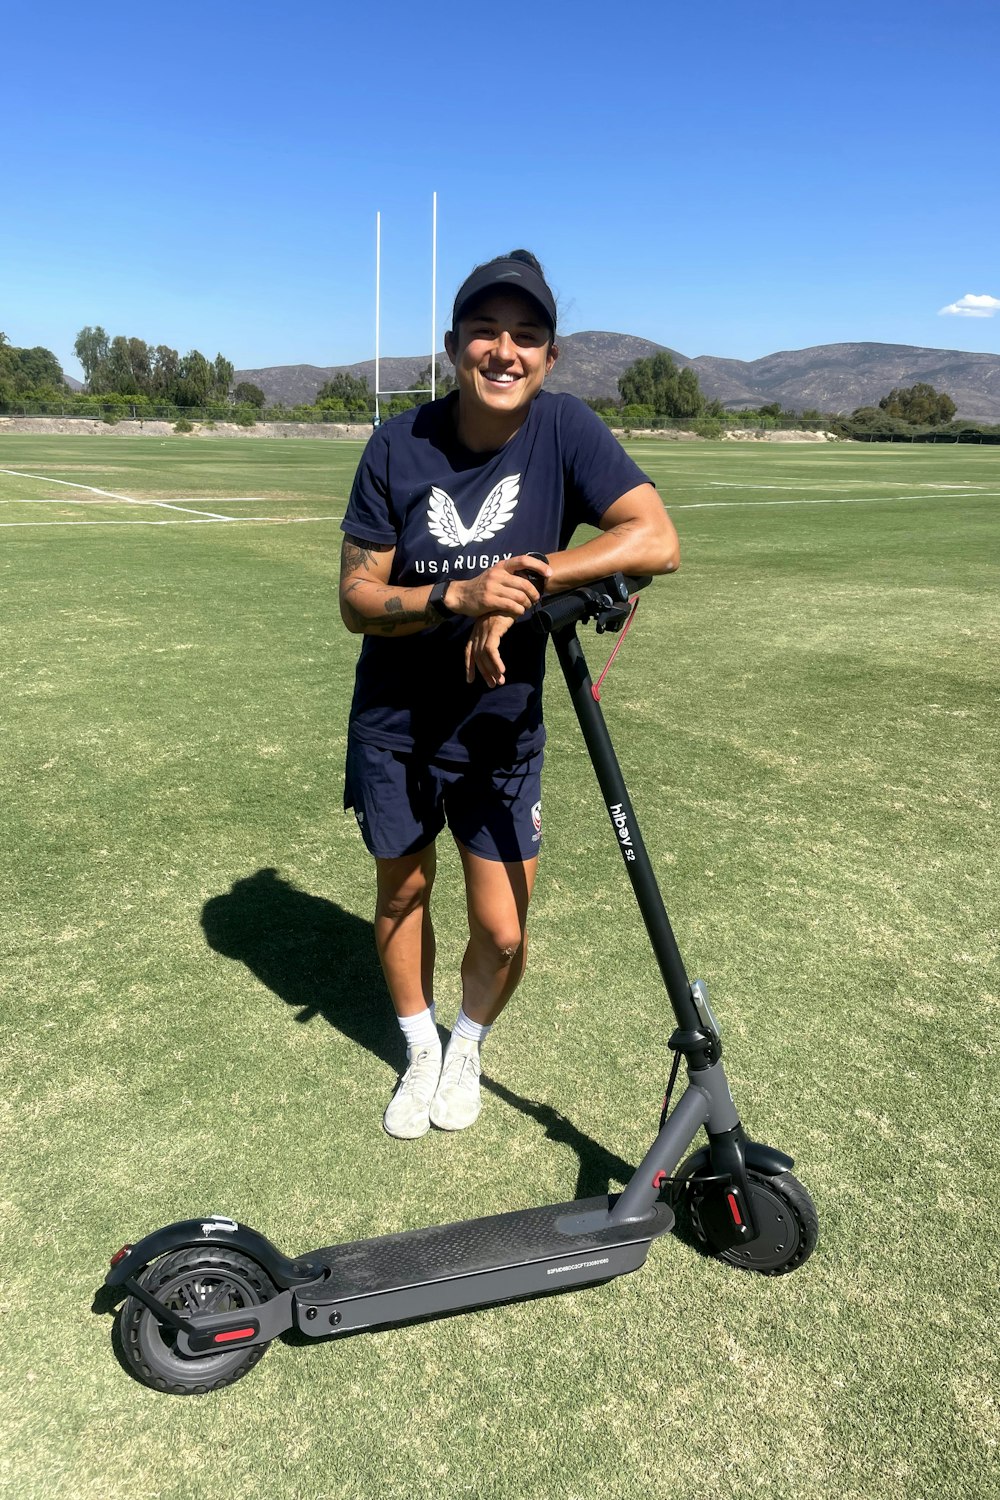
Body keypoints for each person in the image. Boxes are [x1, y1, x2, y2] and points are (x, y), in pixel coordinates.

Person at [339, 250, 680, 1139]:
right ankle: (421, 1050)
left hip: (500, 729)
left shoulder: (564, 429)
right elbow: (357, 600)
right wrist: (456, 596)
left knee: (502, 932)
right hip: (396, 726)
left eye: (526, 337)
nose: (505, 351)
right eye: (486, 333)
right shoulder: (397, 443)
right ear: (454, 346)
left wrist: (524, 578)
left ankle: (468, 1043)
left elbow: (655, 538)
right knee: (403, 895)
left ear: (550, 357)